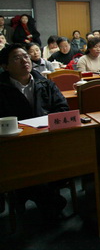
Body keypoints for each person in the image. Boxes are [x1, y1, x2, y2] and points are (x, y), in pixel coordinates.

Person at [0, 43, 69, 220]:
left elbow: (62, 108)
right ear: (5, 66)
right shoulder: (2, 88)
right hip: (14, 146)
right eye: (17, 58)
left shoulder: (45, 83)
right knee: (28, 168)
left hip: (47, 140)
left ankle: (27, 195)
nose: (25, 60)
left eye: (25, 56)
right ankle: (50, 201)